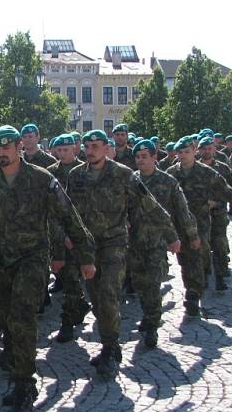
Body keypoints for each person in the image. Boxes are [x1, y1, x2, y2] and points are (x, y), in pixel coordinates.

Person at [0, 125, 95, 412]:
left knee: (23, 317)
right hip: (1, 263)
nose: (0, 153)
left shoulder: (41, 179)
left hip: (32, 259)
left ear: (19, 146)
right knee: (9, 320)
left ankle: (26, 386)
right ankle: (17, 370)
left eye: (6, 146)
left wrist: (86, 256)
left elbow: (69, 217)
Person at [66, 130, 173, 377]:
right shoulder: (76, 176)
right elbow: (69, 211)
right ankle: (107, 345)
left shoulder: (123, 175)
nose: (90, 150)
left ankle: (112, 349)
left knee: (109, 294)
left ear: (107, 148)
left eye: (96, 145)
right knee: (95, 297)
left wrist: (172, 235)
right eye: (87, 146)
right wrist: (67, 237)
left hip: (114, 244)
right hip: (88, 247)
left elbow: (149, 205)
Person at [167, 137, 232, 315]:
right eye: (180, 152)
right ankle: (193, 289)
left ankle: (193, 293)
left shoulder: (206, 172)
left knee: (198, 255)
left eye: (186, 152)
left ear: (194, 150)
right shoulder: (171, 173)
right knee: (184, 260)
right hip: (179, 223)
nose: (183, 156)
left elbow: (226, 189)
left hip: (200, 223)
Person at [131, 140, 196, 347]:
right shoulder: (130, 181)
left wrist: (188, 235)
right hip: (134, 241)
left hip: (157, 241)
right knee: (139, 284)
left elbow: (182, 211)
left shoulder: (168, 181)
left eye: (144, 156)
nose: (140, 161)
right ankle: (148, 314)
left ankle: (152, 324)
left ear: (154, 158)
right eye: (138, 157)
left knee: (152, 283)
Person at [46, 134, 88, 342]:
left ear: (75, 149)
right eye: (58, 150)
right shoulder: (50, 174)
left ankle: (80, 304)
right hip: (62, 236)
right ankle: (68, 321)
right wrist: (62, 237)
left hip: (86, 234)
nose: (62, 153)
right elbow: (51, 211)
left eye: (66, 149)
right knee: (69, 278)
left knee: (93, 281)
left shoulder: (85, 171)